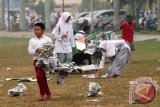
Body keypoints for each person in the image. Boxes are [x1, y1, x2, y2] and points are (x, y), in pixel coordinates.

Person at [28, 23, 52, 101]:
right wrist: (36, 50)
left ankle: (43, 94)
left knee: (39, 77)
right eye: (35, 30)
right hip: (36, 61)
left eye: (38, 29)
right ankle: (47, 93)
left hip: (45, 62)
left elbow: (51, 49)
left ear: (43, 31)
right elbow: (30, 51)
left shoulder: (47, 39)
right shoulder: (32, 40)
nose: (36, 31)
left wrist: (44, 51)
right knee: (41, 79)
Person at [52, 12, 75, 84]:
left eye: (69, 18)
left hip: (67, 45)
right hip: (60, 45)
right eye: (67, 18)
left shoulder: (70, 25)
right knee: (61, 62)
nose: (68, 19)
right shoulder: (59, 25)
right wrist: (61, 36)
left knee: (69, 58)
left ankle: (63, 75)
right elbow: (54, 34)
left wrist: (73, 46)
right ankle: (60, 78)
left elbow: (71, 37)